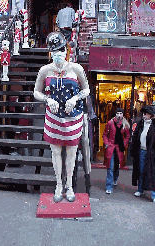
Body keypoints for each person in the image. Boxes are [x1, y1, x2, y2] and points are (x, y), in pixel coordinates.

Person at [34, 32, 90, 203]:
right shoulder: (45, 70)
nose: (57, 53)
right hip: (53, 117)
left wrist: (75, 98)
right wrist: (47, 99)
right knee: (56, 152)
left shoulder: (76, 68)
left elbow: (86, 89)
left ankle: (70, 186)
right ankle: (59, 184)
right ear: (50, 52)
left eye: (60, 49)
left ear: (65, 50)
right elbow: (36, 91)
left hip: (73, 117)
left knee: (72, 152)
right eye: (54, 50)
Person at [102, 108, 130, 194]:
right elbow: (105, 134)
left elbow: (128, 136)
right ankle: (109, 187)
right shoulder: (110, 123)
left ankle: (115, 179)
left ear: (123, 114)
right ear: (115, 114)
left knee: (117, 166)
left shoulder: (125, 124)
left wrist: (124, 144)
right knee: (110, 167)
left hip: (119, 148)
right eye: (117, 113)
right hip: (111, 147)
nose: (119, 115)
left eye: (121, 113)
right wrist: (106, 143)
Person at [130, 105, 155, 202]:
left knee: (152, 173)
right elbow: (136, 136)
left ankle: (153, 194)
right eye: (143, 114)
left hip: (151, 153)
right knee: (140, 171)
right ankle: (140, 189)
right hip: (141, 151)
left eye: (145, 114)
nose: (143, 116)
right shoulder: (140, 124)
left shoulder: (154, 125)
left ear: (150, 115)